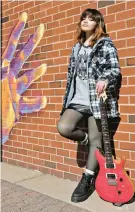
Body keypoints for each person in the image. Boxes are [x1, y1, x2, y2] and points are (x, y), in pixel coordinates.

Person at [57, 8, 121, 203]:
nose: (85, 21)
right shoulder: (76, 47)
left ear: (98, 23)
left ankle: (88, 177)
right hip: (77, 99)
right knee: (64, 127)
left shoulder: (105, 44)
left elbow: (114, 69)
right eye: (83, 18)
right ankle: (87, 141)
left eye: (90, 19)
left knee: (97, 139)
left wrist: (105, 79)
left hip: (96, 100)